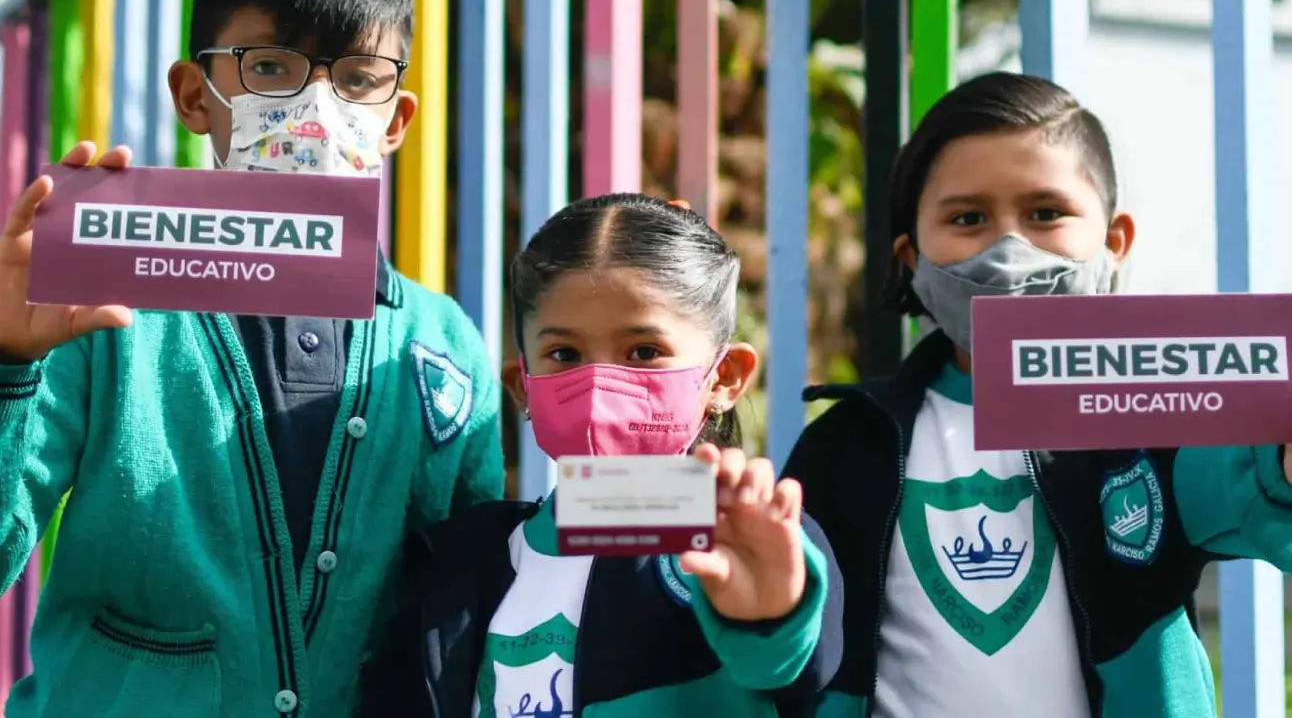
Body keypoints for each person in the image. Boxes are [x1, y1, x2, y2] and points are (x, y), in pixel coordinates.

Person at [0, 0, 502, 718]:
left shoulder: (440, 347)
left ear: (395, 121)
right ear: (196, 97)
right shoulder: (95, 305)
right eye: (270, 68)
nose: (314, 106)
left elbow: (465, 614)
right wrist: (5, 365)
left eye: (356, 79)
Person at [783, 72, 1292, 718]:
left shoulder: (1150, 416)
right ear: (911, 258)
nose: (1007, 250)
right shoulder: (842, 445)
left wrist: (1280, 459)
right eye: (968, 218)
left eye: (1045, 213)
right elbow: (794, 642)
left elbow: (1240, 477)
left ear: (1114, 243)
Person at [360, 194, 844, 718]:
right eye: (564, 355)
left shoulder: (745, 541)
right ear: (522, 388)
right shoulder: (459, 562)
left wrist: (771, 615)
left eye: (644, 352)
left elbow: (797, 663)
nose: (597, 383)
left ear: (724, 378)